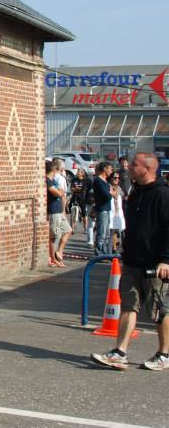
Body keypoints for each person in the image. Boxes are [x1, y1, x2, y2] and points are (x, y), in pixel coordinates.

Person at [91, 152, 169, 372]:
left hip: (155, 264)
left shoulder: (163, 194)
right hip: (133, 260)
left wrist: (166, 260)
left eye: (134, 164)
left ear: (147, 168)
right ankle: (119, 352)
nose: (129, 167)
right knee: (128, 306)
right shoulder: (135, 193)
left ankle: (164, 354)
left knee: (159, 310)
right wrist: (126, 254)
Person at [46, 160, 72, 268]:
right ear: (53, 170)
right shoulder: (47, 181)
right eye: (56, 170)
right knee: (54, 236)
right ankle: (53, 259)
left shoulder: (53, 180)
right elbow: (58, 193)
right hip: (53, 211)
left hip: (59, 211)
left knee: (68, 230)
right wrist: (60, 191)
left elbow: (61, 193)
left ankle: (59, 251)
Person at [92, 161, 114, 256]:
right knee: (102, 232)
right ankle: (99, 252)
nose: (111, 171)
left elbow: (111, 193)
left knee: (107, 234)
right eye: (110, 169)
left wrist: (111, 193)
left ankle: (105, 252)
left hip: (107, 209)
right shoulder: (98, 181)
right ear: (105, 169)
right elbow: (107, 196)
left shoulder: (106, 181)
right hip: (102, 209)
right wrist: (111, 193)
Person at [69, 167, 89, 232]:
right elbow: (71, 188)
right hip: (75, 196)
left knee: (84, 213)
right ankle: (73, 227)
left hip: (82, 197)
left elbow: (84, 189)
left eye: (79, 172)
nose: (77, 173)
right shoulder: (74, 179)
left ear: (82, 173)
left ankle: (85, 228)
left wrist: (76, 189)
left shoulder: (85, 180)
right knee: (70, 206)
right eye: (77, 171)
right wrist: (76, 189)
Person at [110, 173, 125, 252]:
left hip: (118, 212)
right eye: (115, 178)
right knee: (111, 230)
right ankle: (112, 247)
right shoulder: (108, 187)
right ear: (111, 178)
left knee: (117, 230)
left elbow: (122, 197)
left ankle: (115, 247)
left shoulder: (119, 188)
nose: (117, 179)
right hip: (110, 211)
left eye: (118, 178)